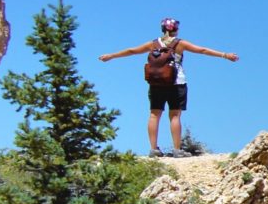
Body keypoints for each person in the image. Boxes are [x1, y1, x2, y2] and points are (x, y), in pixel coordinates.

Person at [100, 17, 240, 156]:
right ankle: (177, 150)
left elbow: (132, 51)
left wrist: (111, 55)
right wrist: (224, 55)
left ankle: (154, 149)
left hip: (156, 83)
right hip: (176, 83)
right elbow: (202, 50)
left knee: (154, 115)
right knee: (174, 115)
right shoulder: (180, 44)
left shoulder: (153, 44)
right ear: (176, 30)